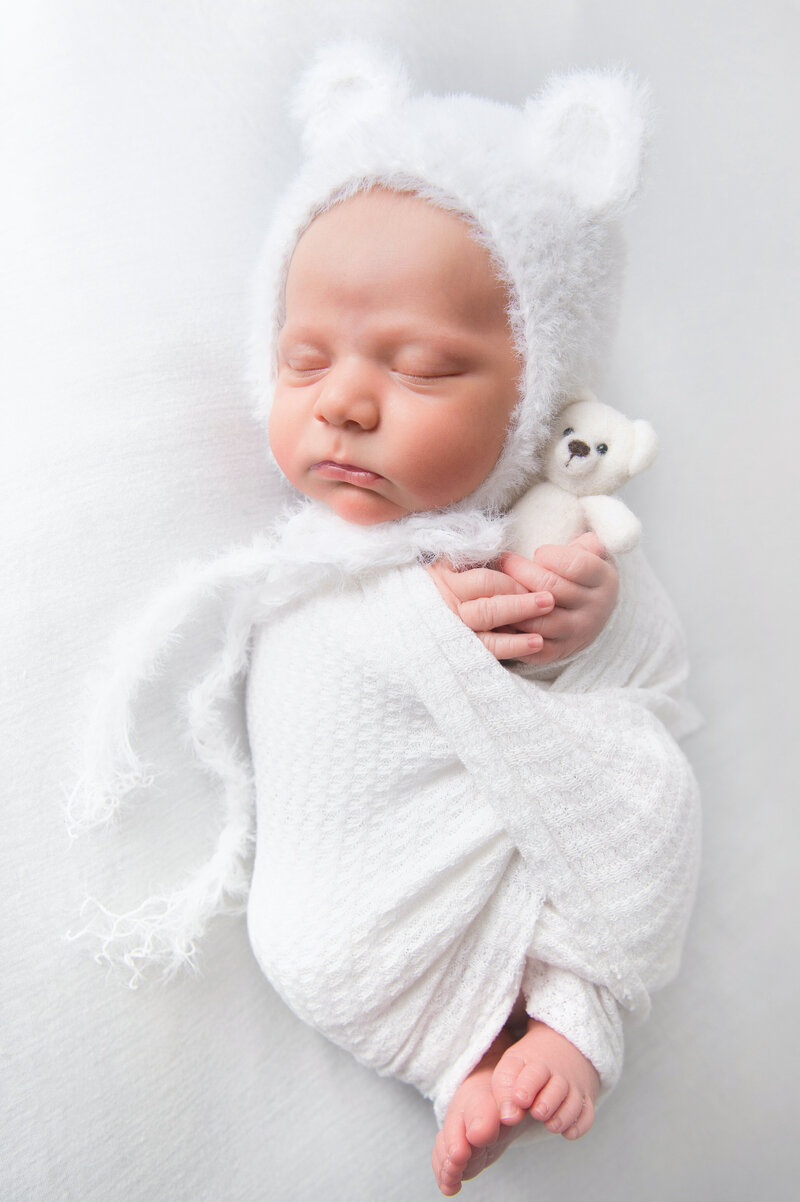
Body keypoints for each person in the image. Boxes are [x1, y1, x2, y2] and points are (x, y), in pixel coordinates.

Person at [71, 43, 700, 1198]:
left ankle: (569, 1021)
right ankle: (462, 1056)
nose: (346, 400)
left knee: (644, 788)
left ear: (533, 390)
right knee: (347, 935)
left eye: (417, 368)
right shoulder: (313, 557)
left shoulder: (538, 536)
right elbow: (309, 662)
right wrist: (400, 612)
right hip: (337, 905)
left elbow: (647, 684)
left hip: (489, 878)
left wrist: (584, 620)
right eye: (305, 358)